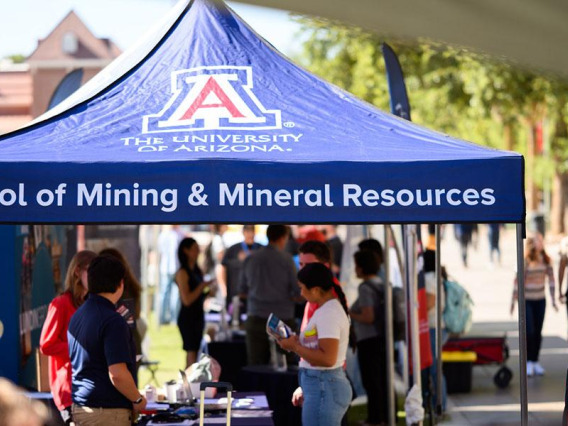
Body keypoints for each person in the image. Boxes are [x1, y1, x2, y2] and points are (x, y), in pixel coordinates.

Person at [68, 255, 145, 426]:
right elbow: (117, 374)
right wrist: (138, 399)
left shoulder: (78, 315)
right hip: (107, 413)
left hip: (81, 408)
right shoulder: (113, 320)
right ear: (120, 284)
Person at [278, 263, 352, 426]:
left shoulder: (329, 313)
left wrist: (295, 347)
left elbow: (327, 359)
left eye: (303, 288)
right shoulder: (326, 310)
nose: (301, 293)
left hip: (325, 385)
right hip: (322, 384)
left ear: (316, 290)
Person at [39, 250, 97, 425]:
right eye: (92, 271)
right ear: (77, 272)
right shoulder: (60, 304)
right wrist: (79, 348)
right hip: (68, 392)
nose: (97, 277)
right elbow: (46, 345)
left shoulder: (92, 303)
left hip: (91, 388)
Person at [240, 224, 300, 365]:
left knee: (256, 366)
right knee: (285, 365)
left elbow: (242, 290)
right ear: (283, 238)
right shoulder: (287, 260)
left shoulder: (251, 258)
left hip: (256, 316)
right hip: (282, 318)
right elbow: (297, 291)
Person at [349, 250, 390, 426]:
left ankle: (375, 419)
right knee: (380, 380)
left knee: (371, 381)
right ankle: (383, 416)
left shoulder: (365, 287)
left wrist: (350, 313)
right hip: (381, 337)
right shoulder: (381, 283)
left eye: (357, 265)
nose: (355, 269)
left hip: (369, 339)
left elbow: (368, 316)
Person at [511, 234, 557, 376]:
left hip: (540, 300)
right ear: (532, 244)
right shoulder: (525, 261)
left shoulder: (546, 260)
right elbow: (517, 282)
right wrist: (513, 301)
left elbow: (551, 280)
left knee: (538, 332)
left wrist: (553, 299)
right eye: (538, 241)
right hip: (527, 300)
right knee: (529, 332)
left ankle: (535, 360)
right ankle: (528, 361)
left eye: (542, 241)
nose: (541, 244)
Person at [99, 248, 143, 359]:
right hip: (131, 346)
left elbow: (125, 325)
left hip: (126, 349)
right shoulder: (131, 288)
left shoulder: (123, 294)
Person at [176, 237, 212, 368]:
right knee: (191, 353)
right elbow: (187, 300)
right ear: (186, 251)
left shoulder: (197, 271)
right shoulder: (182, 273)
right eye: (194, 249)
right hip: (188, 318)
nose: (197, 252)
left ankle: (192, 382)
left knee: (196, 353)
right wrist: (202, 287)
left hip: (198, 316)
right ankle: (188, 384)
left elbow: (198, 296)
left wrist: (207, 292)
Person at [423, 249, 447, 413]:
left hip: (432, 327)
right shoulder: (436, 277)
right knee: (434, 368)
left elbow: (429, 303)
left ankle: (439, 404)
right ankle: (438, 403)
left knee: (434, 369)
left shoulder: (430, 278)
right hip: (436, 327)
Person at [221, 225, 262, 310]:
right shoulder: (233, 249)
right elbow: (223, 267)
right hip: (236, 293)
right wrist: (223, 288)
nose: (250, 234)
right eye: (248, 231)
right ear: (243, 233)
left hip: (256, 293)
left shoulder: (260, 249)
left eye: (252, 231)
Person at [157, 225, 184, 325]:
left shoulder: (166, 234)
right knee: (172, 293)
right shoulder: (176, 234)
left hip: (168, 267)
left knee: (168, 293)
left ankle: (167, 318)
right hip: (172, 267)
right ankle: (171, 318)